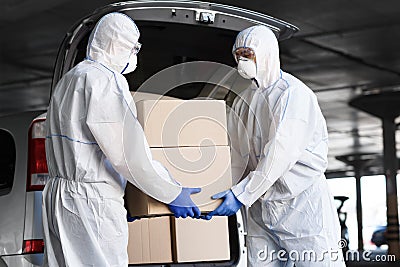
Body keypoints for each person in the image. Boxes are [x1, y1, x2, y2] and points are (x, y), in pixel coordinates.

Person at [42, 12, 200, 267]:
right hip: (91, 203)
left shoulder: (71, 79)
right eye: (133, 48)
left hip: (61, 197)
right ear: (117, 45)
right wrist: (172, 191)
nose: (134, 56)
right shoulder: (105, 81)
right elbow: (129, 153)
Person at [207, 25, 345, 266]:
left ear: (267, 53)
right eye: (238, 55)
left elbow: (280, 154)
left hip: (301, 205)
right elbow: (237, 153)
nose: (242, 60)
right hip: (261, 206)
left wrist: (242, 194)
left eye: (248, 54)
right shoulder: (244, 99)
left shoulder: (293, 94)